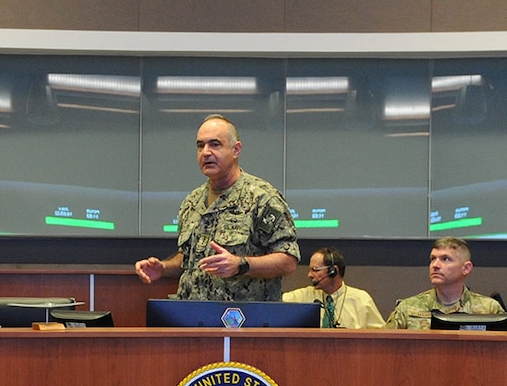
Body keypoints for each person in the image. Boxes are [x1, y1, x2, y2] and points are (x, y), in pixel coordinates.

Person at [133, 115, 299, 301]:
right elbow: (190, 258)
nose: (205, 152)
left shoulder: (262, 198)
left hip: (243, 321)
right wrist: (163, 268)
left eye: (215, 144)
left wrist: (240, 264)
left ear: (236, 150)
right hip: (194, 319)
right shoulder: (192, 201)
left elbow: (288, 260)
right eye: (200, 146)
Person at [385, 238, 505, 329]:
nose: (435, 265)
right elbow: (386, 351)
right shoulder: (407, 309)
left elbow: (506, 352)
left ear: (466, 268)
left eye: (445, 259)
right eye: (433, 259)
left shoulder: (490, 309)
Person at [281, 248, 385, 329]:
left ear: (333, 271)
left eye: (315, 270)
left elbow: (381, 337)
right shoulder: (303, 296)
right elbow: (275, 303)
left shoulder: (361, 300)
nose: (309, 275)